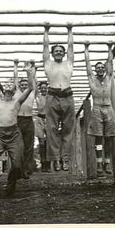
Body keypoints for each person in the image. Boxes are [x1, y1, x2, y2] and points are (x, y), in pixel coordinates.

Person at [0, 60, 35, 197]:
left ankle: (10, 187)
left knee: (16, 165)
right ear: (3, 89)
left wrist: (28, 72)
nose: (8, 85)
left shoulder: (18, 101)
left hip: (14, 135)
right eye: (6, 84)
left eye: (11, 84)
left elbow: (31, 87)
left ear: (15, 90)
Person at [43, 22, 75, 171]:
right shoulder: (48, 64)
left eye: (60, 51)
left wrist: (69, 31)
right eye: (55, 51)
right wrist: (46, 31)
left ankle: (66, 159)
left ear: (63, 53)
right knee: (52, 128)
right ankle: (56, 159)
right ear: (52, 53)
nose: (58, 52)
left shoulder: (68, 63)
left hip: (67, 95)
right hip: (52, 95)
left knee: (68, 128)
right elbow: (45, 48)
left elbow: (71, 48)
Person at [84, 41, 115, 175]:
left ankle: (108, 162)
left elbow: (110, 62)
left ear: (104, 69)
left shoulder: (109, 77)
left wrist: (110, 48)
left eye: (101, 67)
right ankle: (99, 163)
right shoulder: (92, 79)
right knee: (98, 137)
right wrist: (86, 49)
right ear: (95, 70)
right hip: (97, 108)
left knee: (110, 137)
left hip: (109, 108)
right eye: (97, 68)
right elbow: (87, 65)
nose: (100, 69)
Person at [14, 60, 37, 178]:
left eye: (25, 85)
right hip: (18, 120)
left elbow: (33, 81)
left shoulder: (32, 93)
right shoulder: (17, 93)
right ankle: (18, 170)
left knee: (29, 146)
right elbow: (15, 78)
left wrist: (32, 68)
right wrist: (16, 66)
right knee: (18, 146)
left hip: (28, 120)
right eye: (22, 85)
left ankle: (27, 169)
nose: (23, 86)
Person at [35, 81, 50, 172]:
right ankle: (43, 163)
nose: (43, 89)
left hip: (49, 119)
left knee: (49, 143)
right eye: (42, 88)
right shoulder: (38, 96)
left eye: (45, 87)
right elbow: (35, 89)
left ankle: (48, 164)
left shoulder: (50, 97)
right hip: (39, 118)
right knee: (41, 143)